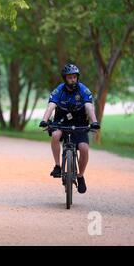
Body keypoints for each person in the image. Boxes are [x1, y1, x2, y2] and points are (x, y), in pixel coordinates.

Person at [39, 64, 100, 194]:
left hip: (80, 121)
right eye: (70, 77)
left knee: (84, 148)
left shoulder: (83, 90)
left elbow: (89, 107)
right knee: (55, 136)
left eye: (74, 77)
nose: (73, 80)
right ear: (65, 79)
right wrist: (44, 120)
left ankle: (80, 176)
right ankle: (57, 166)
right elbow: (51, 106)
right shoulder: (59, 90)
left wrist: (94, 122)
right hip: (61, 119)